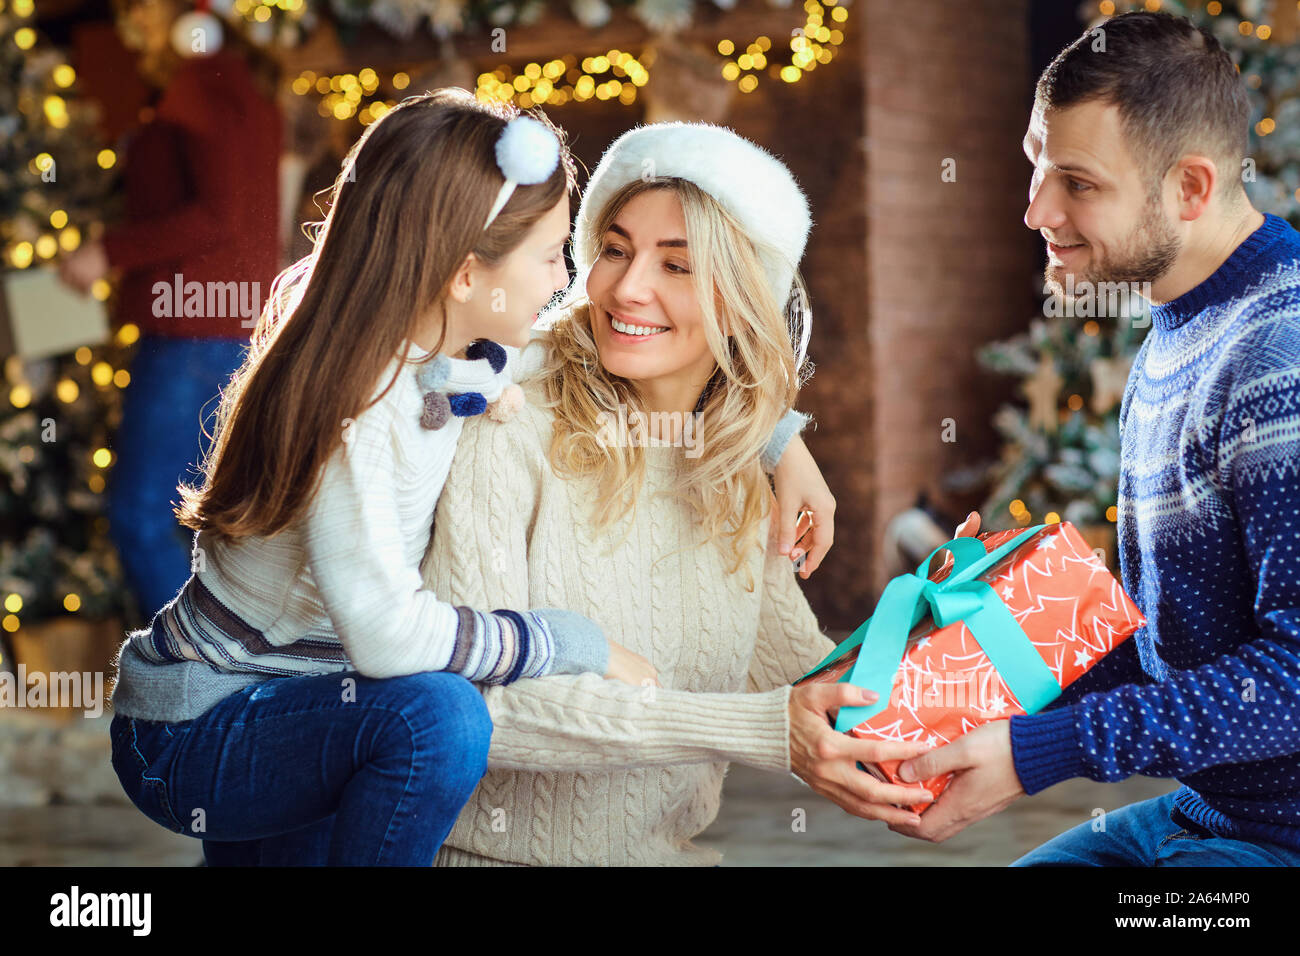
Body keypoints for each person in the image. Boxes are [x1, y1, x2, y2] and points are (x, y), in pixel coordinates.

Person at [106, 92, 835, 866]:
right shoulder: (355, 414)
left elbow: (568, 356)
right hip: (205, 723)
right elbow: (390, 638)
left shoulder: (461, 356)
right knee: (437, 717)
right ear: (464, 276)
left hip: (322, 707)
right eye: (564, 255)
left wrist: (779, 439)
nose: (582, 284)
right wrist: (557, 643)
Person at [398, 121, 937, 866]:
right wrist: (760, 729)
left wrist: (936, 619)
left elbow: (801, 675)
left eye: (677, 266)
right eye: (614, 250)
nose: (627, 287)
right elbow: (482, 708)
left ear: (744, 297)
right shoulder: (509, 423)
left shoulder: (737, 461)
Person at [886, 11, 1300, 866]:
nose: (1036, 208)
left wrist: (1037, 753)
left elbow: (1292, 682)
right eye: (1037, 164)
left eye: (1077, 181)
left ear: (1190, 188)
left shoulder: (1281, 356)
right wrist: (1007, 624)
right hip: (1208, 813)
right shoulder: (1172, 341)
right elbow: (1169, 640)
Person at [59, 0, 281, 618]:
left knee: (140, 516)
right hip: (220, 324)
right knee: (197, 520)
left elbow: (220, 214)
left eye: (141, 9)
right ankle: (211, 674)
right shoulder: (233, 81)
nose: (131, 22)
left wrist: (108, 251)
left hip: (192, 332)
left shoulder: (207, 80)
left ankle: (191, 674)